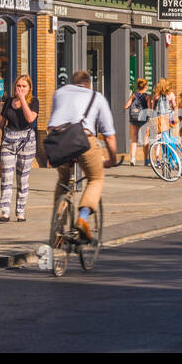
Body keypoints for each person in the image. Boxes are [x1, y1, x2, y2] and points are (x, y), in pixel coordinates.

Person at [49, 71, 117, 241]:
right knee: (96, 178)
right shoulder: (97, 97)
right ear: (89, 85)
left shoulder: (59, 93)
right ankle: (82, 218)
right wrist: (112, 159)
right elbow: (109, 135)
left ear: (72, 83)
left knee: (64, 181)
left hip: (58, 142)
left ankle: (57, 230)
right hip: (83, 140)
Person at [0, 74, 37, 222]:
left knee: (22, 178)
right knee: (6, 176)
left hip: (26, 141)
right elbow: (2, 122)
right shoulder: (9, 101)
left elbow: (30, 118)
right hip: (9, 141)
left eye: (24, 86)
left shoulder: (34, 101)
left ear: (29, 88)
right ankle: (5, 211)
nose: (20, 88)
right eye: (18, 86)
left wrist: (23, 99)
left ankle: (20, 211)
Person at [123, 77, 151, 166]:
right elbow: (150, 109)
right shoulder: (147, 96)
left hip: (134, 119)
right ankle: (146, 159)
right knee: (145, 140)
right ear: (145, 87)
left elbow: (126, 106)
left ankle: (132, 158)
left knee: (134, 139)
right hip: (144, 120)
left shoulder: (134, 95)